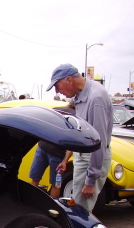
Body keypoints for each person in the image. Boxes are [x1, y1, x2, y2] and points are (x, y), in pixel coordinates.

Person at [47, 63, 113, 212]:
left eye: (57, 86)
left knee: (81, 210)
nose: (58, 91)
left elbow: (98, 142)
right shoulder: (82, 94)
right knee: (77, 204)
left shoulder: (96, 99)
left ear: (69, 80)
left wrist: (90, 181)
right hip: (83, 156)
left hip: (91, 158)